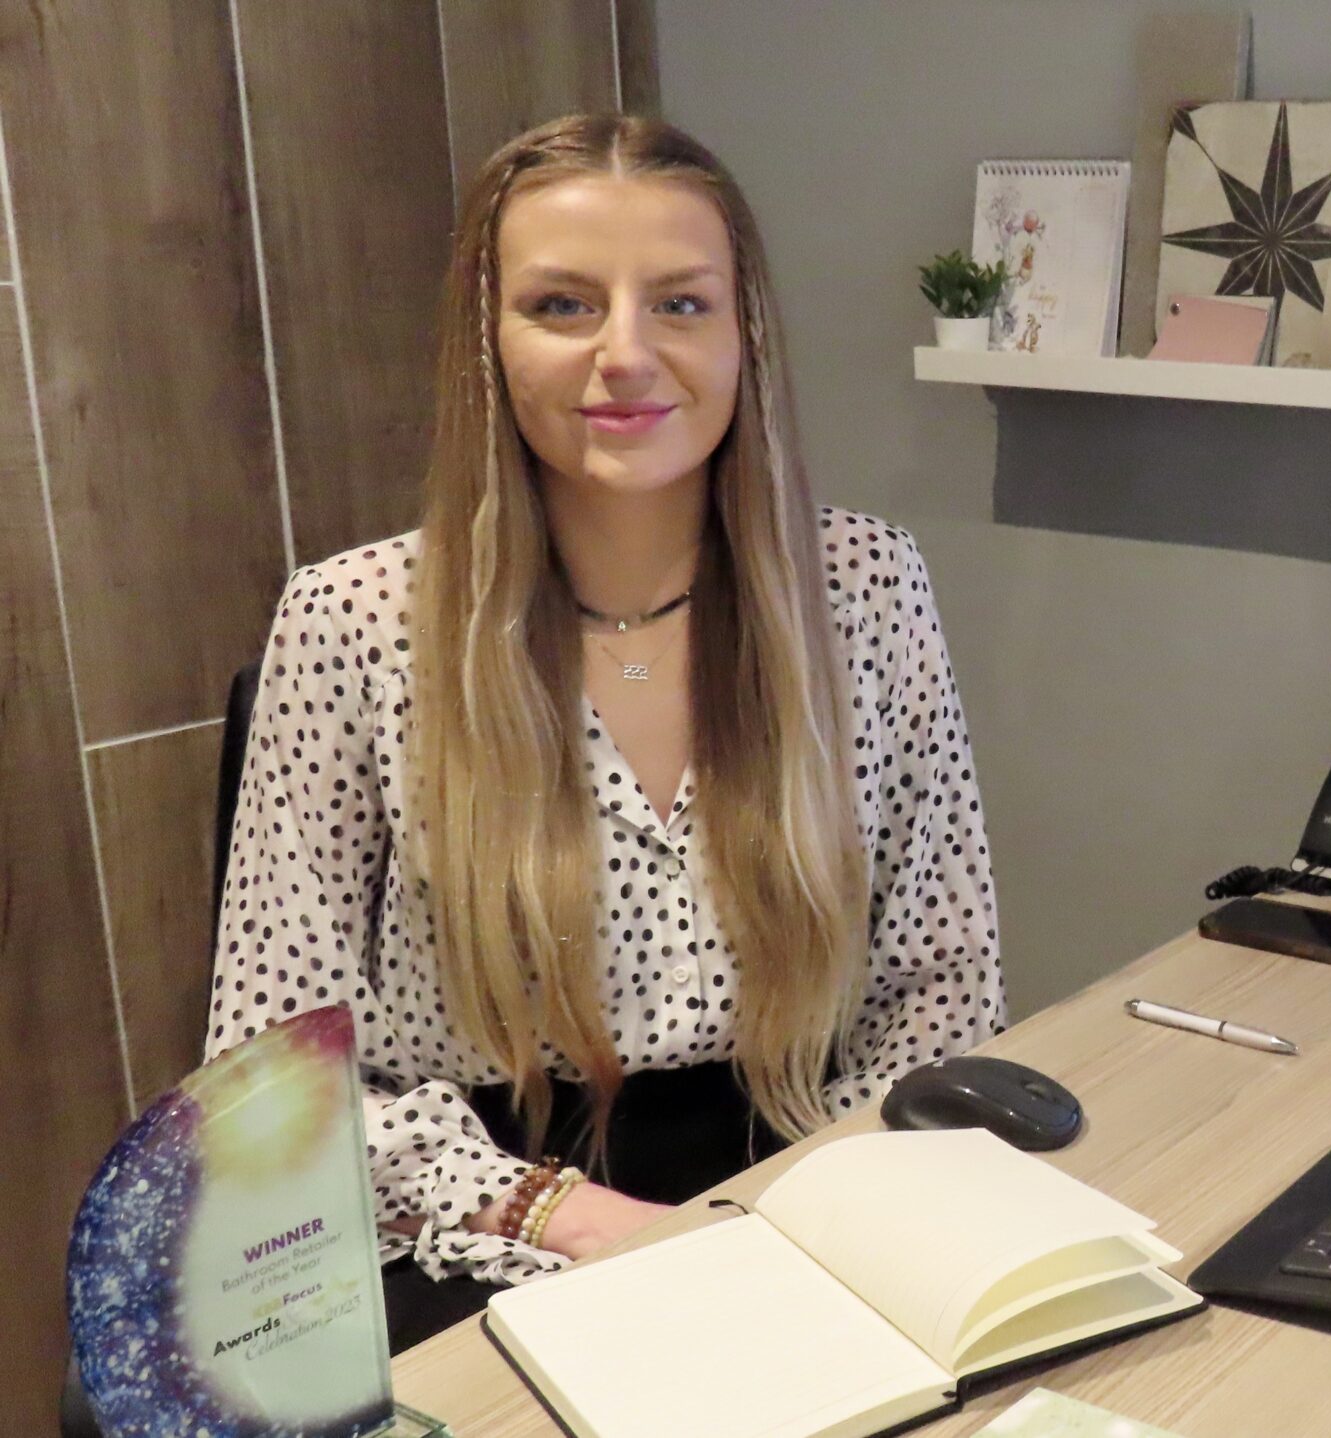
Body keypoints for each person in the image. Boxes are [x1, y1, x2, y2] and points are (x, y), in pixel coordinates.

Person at [202, 114, 1004, 1352]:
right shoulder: (352, 618)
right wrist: (572, 1217)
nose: (625, 355)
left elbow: (942, 984)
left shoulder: (868, 587)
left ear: (746, 338)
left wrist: (815, 1200)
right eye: (564, 306)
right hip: (478, 1213)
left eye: (680, 304)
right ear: (487, 342)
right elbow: (271, 1075)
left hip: (806, 1184)